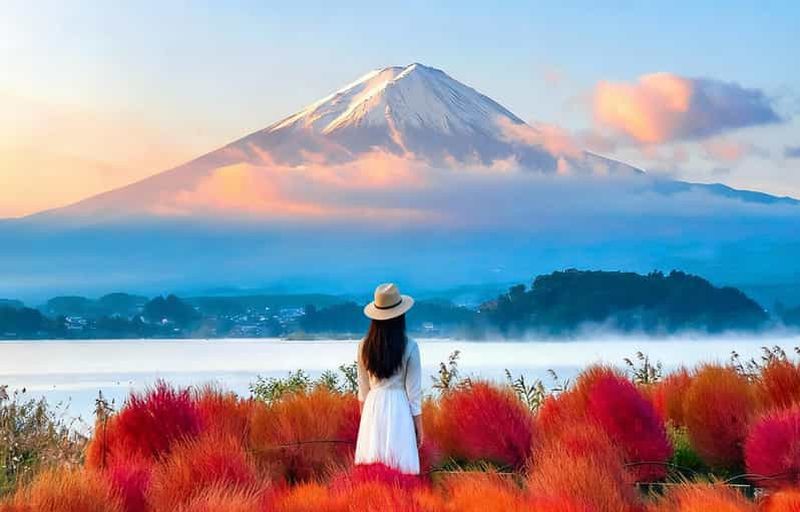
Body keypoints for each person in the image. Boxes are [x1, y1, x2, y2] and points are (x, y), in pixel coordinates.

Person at [354, 283, 422, 474]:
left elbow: (363, 390)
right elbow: (414, 394)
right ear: (401, 315)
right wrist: (419, 427)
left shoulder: (364, 346)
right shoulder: (410, 346)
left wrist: (365, 421)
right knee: (400, 466)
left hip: (372, 407)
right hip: (399, 407)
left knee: (372, 466)